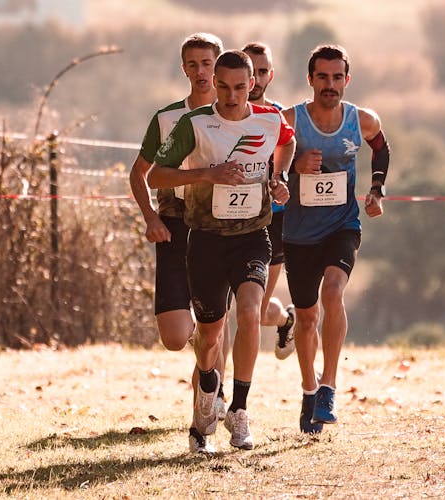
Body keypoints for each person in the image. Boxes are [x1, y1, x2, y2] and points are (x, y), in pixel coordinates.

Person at [148, 50, 295, 450]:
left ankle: (240, 411)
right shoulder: (193, 124)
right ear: (214, 83)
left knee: (249, 312)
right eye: (224, 87)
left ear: (253, 85)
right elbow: (156, 176)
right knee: (210, 337)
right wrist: (207, 174)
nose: (232, 96)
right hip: (206, 241)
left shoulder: (268, 118)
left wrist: (277, 177)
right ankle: (206, 396)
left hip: (252, 236)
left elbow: (287, 140)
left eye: (241, 87)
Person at [280, 44, 389, 434]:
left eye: (337, 77)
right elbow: (267, 163)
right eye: (322, 77)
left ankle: (329, 387)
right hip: (297, 233)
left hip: (343, 225)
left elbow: (380, 146)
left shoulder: (362, 120)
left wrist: (376, 189)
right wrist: (294, 164)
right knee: (307, 318)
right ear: (310, 79)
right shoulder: (289, 120)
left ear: (347, 79)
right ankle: (309, 389)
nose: (330, 84)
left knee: (333, 293)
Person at [127, 32, 226, 453]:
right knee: (174, 336)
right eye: (193, 64)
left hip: (219, 228)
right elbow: (139, 173)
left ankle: (201, 424)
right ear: (183, 68)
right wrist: (150, 217)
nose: (201, 72)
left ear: (219, 65)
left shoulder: (238, 116)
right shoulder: (167, 119)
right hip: (172, 225)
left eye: (208, 63)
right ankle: (209, 375)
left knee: (211, 331)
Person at [242, 42, 296, 360]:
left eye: (262, 71)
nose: (256, 78)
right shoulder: (220, 114)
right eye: (252, 70)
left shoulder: (275, 116)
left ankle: (287, 320)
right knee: (222, 309)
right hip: (228, 218)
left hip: (272, 220)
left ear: (270, 75)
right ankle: (217, 388)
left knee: (258, 312)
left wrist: (282, 178)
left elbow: (290, 151)